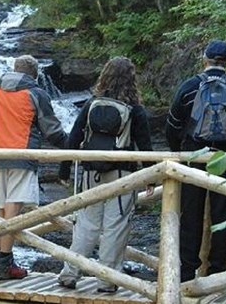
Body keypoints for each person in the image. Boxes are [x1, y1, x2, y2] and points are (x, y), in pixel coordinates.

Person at [57, 56, 154, 292]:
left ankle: (70, 273)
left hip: (91, 173)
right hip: (123, 176)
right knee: (116, 228)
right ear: (131, 79)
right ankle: (107, 280)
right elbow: (145, 146)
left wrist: (64, 169)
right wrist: (151, 177)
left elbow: (74, 138)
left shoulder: (92, 104)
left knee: (86, 225)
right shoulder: (135, 110)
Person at [165, 39, 226, 281]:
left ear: (204, 59)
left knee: (190, 215)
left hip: (193, 157)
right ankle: (217, 273)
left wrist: (179, 154)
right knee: (223, 216)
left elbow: (173, 125)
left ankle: (186, 273)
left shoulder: (190, 86)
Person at [0, 55, 67, 280]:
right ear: (35, 74)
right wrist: (72, 147)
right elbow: (52, 130)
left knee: (1, 208)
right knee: (13, 208)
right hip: (21, 154)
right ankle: (4, 262)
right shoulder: (36, 93)